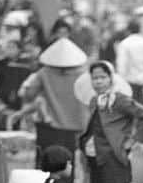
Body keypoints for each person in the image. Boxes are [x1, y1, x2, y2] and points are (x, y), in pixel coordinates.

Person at [19, 37, 90, 168]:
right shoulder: (84, 75)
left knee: (45, 165)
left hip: (49, 126)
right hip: (75, 127)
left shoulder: (44, 73)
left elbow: (29, 95)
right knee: (67, 165)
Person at [115, 20, 143, 98]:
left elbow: (121, 64)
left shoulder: (124, 44)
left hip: (130, 81)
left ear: (128, 30)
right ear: (140, 30)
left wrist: (120, 82)